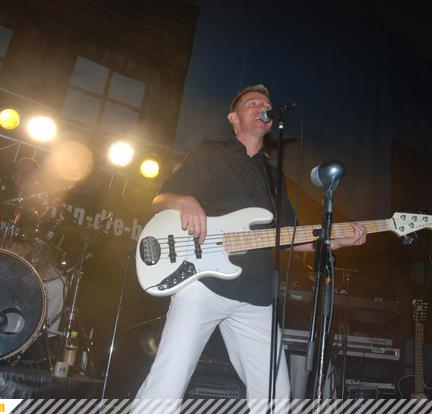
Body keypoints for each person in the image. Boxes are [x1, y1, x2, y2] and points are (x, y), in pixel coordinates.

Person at [133, 85, 367, 407]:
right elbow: (160, 199)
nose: (262, 108)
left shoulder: (273, 177)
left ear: (271, 124)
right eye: (253, 103)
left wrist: (333, 240)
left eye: (266, 105)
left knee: (275, 397)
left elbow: (287, 237)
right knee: (167, 382)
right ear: (234, 118)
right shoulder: (210, 152)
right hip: (204, 284)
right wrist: (184, 200)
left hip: (256, 298)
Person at [0, 157, 66, 336]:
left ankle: (43, 339)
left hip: (24, 262)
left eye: (31, 173)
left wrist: (28, 250)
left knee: (59, 284)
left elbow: (40, 242)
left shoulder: (41, 210)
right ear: (13, 175)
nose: (26, 175)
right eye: (22, 171)